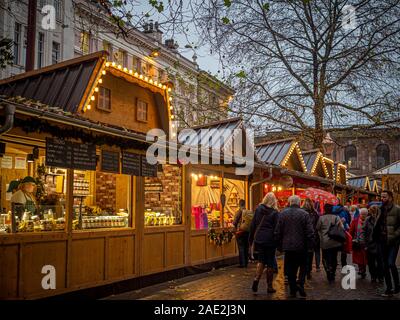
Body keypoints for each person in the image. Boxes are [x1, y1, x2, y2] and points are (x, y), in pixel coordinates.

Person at [274, 195, 314, 298]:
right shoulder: (305, 214)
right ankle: (300, 283)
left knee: (290, 268)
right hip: (302, 246)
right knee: (303, 266)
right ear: (299, 203)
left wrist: (279, 245)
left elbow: (278, 231)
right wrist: (310, 244)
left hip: (288, 247)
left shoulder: (282, 214)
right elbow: (310, 232)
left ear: (289, 202)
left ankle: (292, 289)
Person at [249, 192, 279, 293]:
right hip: (270, 240)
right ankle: (269, 287)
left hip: (260, 239)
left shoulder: (258, 209)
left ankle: (256, 280)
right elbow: (277, 229)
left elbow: (253, 225)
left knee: (261, 261)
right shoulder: (275, 212)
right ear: (274, 201)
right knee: (270, 263)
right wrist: (278, 241)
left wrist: (251, 239)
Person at [375, 190, 400, 296]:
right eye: (381, 197)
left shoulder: (397, 209)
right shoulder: (380, 209)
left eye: (384, 197)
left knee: (390, 263)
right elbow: (378, 223)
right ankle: (389, 289)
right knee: (385, 265)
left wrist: (395, 235)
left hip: (393, 241)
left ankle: (397, 286)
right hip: (382, 241)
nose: (382, 199)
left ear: (390, 197)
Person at [317, 203, 345, 284]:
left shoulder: (321, 218)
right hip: (335, 241)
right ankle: (332, 273)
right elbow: (342, 228)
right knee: (334, 258)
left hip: (325, 241)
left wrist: (321, 235)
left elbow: (317, 228)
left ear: (325, 209)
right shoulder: (336, 217)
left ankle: (328, 271)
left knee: (325, 258)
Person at [363, 205, 384, 283]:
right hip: (369, 244)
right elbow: (363, 231)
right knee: (371, 262)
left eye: (374, 212)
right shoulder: (368, 220)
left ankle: (381, 276)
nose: (373, 213)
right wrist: (365, 243)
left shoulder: (381, 220)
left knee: (380, 262)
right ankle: (373, 276)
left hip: (379, 244)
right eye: (372, 212)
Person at [302, 198, 320, 279]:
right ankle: (308, 271)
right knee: (310, 254)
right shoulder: (315, 213)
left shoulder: (300, 212)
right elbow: (317, 226)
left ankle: (303, 271)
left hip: (302, 237)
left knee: (303, 255)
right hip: (312, 237)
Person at [349, 207, 368, 279]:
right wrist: (351, 239)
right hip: (357, 242)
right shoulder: (355, 221)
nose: (363, 216)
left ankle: (363, 269)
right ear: (360, 214)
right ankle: (361, 269)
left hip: (365, 242)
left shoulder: (368, 221)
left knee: (365, 257)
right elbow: (351, 231)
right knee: (358, 257)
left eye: (365, 214)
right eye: (362, 214)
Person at [233, 199, 251, 268]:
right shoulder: (247, 211)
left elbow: (234, 222)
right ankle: (246, 262)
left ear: (239, 204)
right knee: (246, 247)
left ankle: (242, 263)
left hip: (240, 232)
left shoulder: (239, 212)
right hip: (247, 231)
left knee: (241, 247)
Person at [333, 202, 351, 267]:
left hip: (334, 232)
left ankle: (334, 261)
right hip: (343, 231)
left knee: (335, 248)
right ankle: (343, 263)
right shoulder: (344, 211)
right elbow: (348, 221)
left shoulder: (333, 211)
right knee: (343, 248)